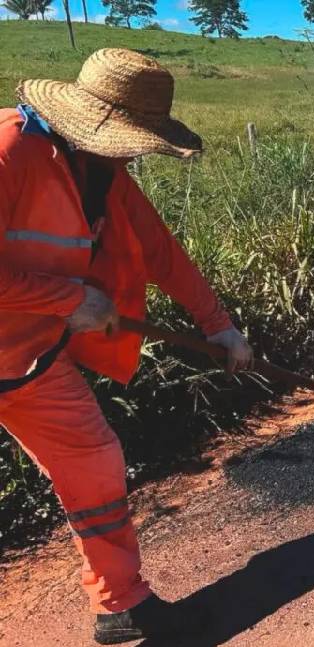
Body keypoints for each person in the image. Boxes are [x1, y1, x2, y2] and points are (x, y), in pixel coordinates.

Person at [0, 48, 254, 644]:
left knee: (95, 464)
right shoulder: (9, 154)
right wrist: (66, 299)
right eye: (134, 138)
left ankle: (122, 607)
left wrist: (219, 326)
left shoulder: (102, 174)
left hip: (27, 361)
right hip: (31, 338)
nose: (138, 151)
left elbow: (160, 250)